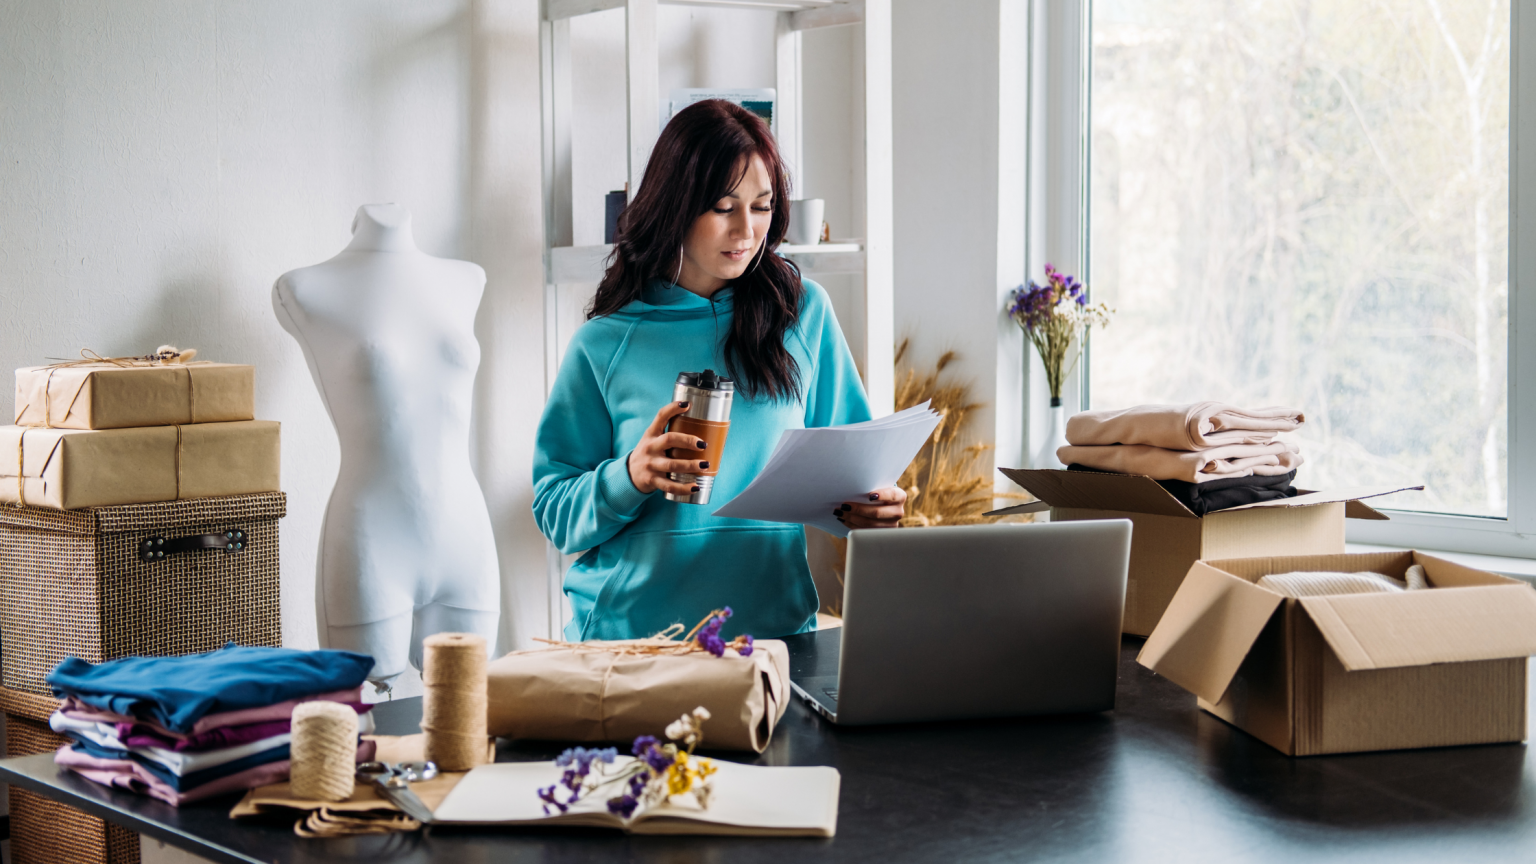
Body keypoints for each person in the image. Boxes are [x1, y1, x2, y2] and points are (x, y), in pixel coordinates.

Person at [532, 99, 905, 642]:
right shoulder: (605, 342)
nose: (747, 230)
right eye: (724, 207)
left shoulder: (802, 313)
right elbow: (554, 510)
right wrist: (630, 476)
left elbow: (852, 471)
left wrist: (872, 507)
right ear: (676, 206)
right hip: (632, 643)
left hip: (773, 639)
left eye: (762, 206)